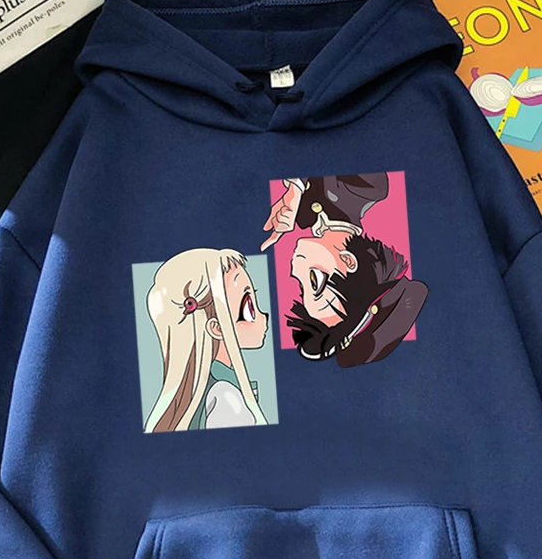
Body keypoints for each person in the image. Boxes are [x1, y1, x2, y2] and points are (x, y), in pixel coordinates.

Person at [261, 173, 428, 368]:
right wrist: (296, 188)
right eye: (314, 281)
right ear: (348, 261)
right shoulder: (371, 187)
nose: (296, 271)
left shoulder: (302, 216)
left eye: (302, 288)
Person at [144, 248, 270, 432]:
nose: (264, 315)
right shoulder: (227, 399)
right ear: (216, 328)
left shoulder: (214, 391)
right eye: (248, 308)